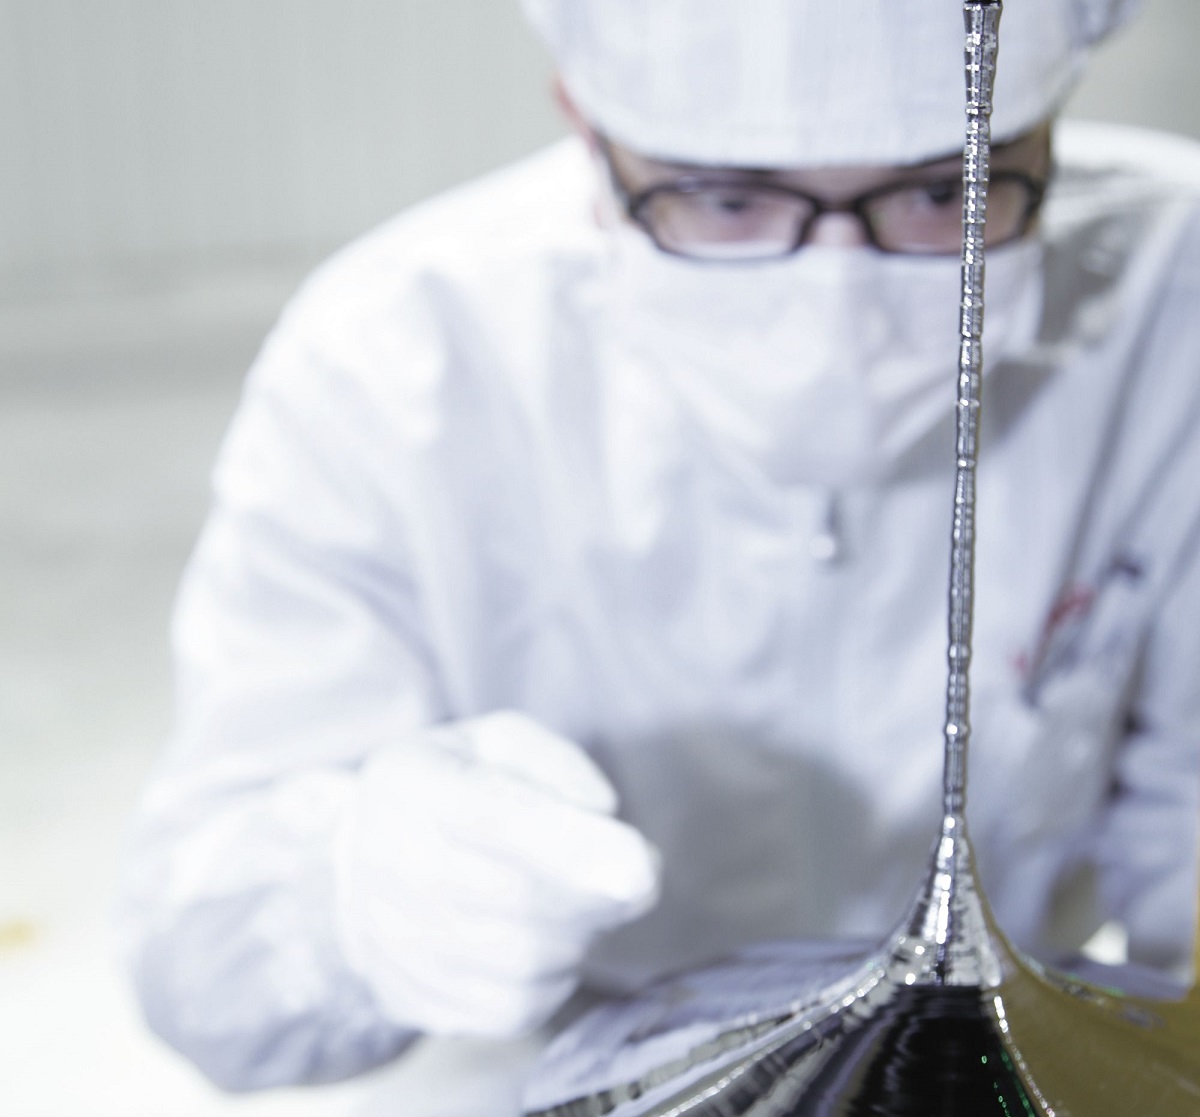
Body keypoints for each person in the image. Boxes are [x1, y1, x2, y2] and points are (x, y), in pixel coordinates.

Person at [118, 0, 1200, 1100]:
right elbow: (196, 965)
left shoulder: (1175, 299)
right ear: (584, 126)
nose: (835, 297)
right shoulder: (399, 362)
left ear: (1049, 131)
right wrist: (344, 903)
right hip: (553, 1067)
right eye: (727, 200)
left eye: (941, 195)